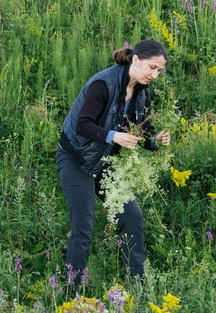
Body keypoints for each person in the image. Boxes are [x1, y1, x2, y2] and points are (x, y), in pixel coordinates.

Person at [56, 40, 171, 288]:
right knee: (84, 228)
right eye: (152, 67)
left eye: (159, 71)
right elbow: (83, 125)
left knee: (132, 216)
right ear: (136, 60)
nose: (154, 75)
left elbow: (142, 134)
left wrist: (156, 141)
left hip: (103, 163)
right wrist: (113, 136)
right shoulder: (103, 84)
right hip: (75, 158)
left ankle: (138, 286)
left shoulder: (141, 94)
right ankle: (71, 294)